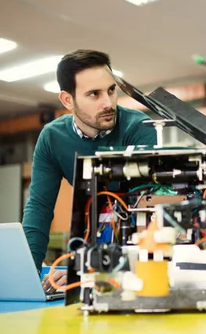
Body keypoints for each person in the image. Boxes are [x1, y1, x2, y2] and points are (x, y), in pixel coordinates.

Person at [22, 49, 157, 291]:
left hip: (136, 250)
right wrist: (24, 277)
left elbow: (141, 211)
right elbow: (39, 208)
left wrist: (89, 270)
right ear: (67, 100)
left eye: (111, 90)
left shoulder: (138, 128)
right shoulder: (52, 138)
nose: (108, 103)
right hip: (92, 238)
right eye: (94, 94)